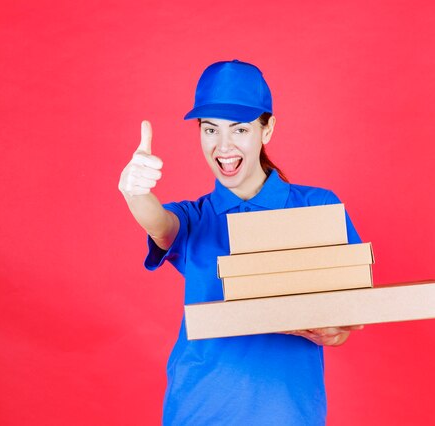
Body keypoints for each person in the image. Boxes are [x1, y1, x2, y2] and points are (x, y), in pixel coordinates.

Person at [119, 60, 364, 425]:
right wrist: (135, 193)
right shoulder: (196, 218)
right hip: (197, 410)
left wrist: (337, 328)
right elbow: (161, 226)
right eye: (210, 129)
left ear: (267, 130)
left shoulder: (317, 207)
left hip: (289, 413)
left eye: (240, 129)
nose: (223, 146)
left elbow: (353, 309)